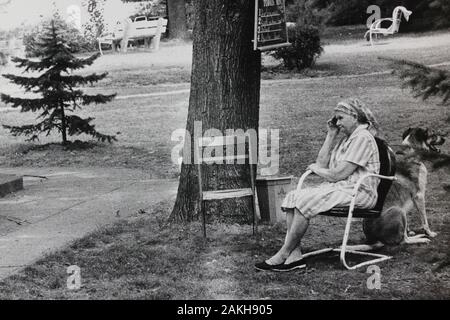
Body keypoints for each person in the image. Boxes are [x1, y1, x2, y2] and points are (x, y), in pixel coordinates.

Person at [255, 98, 381, 272]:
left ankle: (284, 253)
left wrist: (316, 169)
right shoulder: (347, 139)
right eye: (336, 119)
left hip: (359, 192)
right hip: (342, 189)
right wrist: (331, 135)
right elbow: (321, 164)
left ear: (354, 116)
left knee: (304, 201)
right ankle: (295, 256)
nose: (337, 123)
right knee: (294, 196)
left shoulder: (363, 137)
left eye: (340, 118)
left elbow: (338, 174)